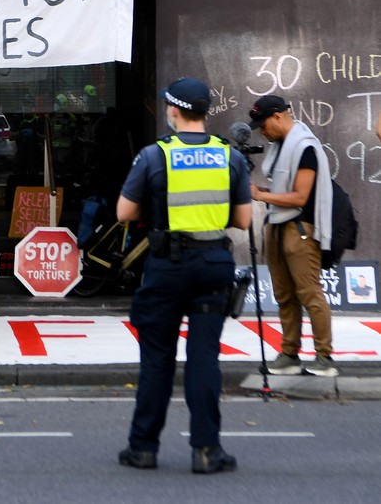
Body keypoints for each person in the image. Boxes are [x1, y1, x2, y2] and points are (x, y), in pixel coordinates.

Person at [116, 78, 251, 475]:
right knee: (204, 358)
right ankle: (207, 450)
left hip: (167, 267)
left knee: (157, 360)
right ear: (205, 112)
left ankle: (143, 449)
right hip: (213, 264)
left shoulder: (155, 155)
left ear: (173, 111)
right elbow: (243, 220)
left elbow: (124, 212)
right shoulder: (231, 157)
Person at [248, 94, 337, 376]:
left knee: (310, 294)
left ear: (277, 116)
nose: (262, 132)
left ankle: (324, 357)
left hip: (300, 229)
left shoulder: (305, 147)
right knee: (284, 294)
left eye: (263, 125)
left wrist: (261, 195)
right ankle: (290, 353)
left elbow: (300, 196)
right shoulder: (280, 147)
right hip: (276, 224)